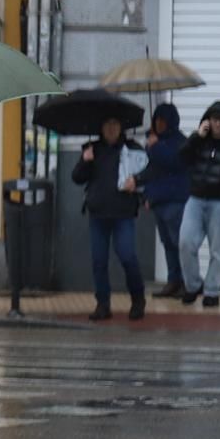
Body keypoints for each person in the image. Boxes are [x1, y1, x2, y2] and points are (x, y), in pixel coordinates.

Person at [73, 117, 146, 321]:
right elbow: (77, 177)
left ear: (122, 126)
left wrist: (137, 181)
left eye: (116, 124)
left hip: (123, 213)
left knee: (127, 256)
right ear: (101, 128)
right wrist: (84, 160)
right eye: (107, 125)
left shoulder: (132, 148)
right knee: (99, 261)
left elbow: (148, 171)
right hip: (98, 213)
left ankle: (138, 299)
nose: (111, 129)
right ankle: (103, 304)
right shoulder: (92, 149)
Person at [128, 103, 191, 299]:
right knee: (168, 244)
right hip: (159, 202)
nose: (159, 124)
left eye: (163, 121)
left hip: (175, 201)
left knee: (179, 242)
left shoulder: (180, 142)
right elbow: (154, 171)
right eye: (157, 120)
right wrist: (146, 194)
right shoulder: (154, 143)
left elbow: (175, 162)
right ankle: (173, 280)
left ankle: (186, 282)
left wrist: (155, 147)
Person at [178, 101, 220, 307]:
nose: (217, 124)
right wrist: (196, 137)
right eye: (214, 119)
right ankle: (193, 285)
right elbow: (181, 158)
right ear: (208, 120)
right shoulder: (199, 140)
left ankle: (212, 291)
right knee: (185, 242)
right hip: (196, 198)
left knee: (217, 249)